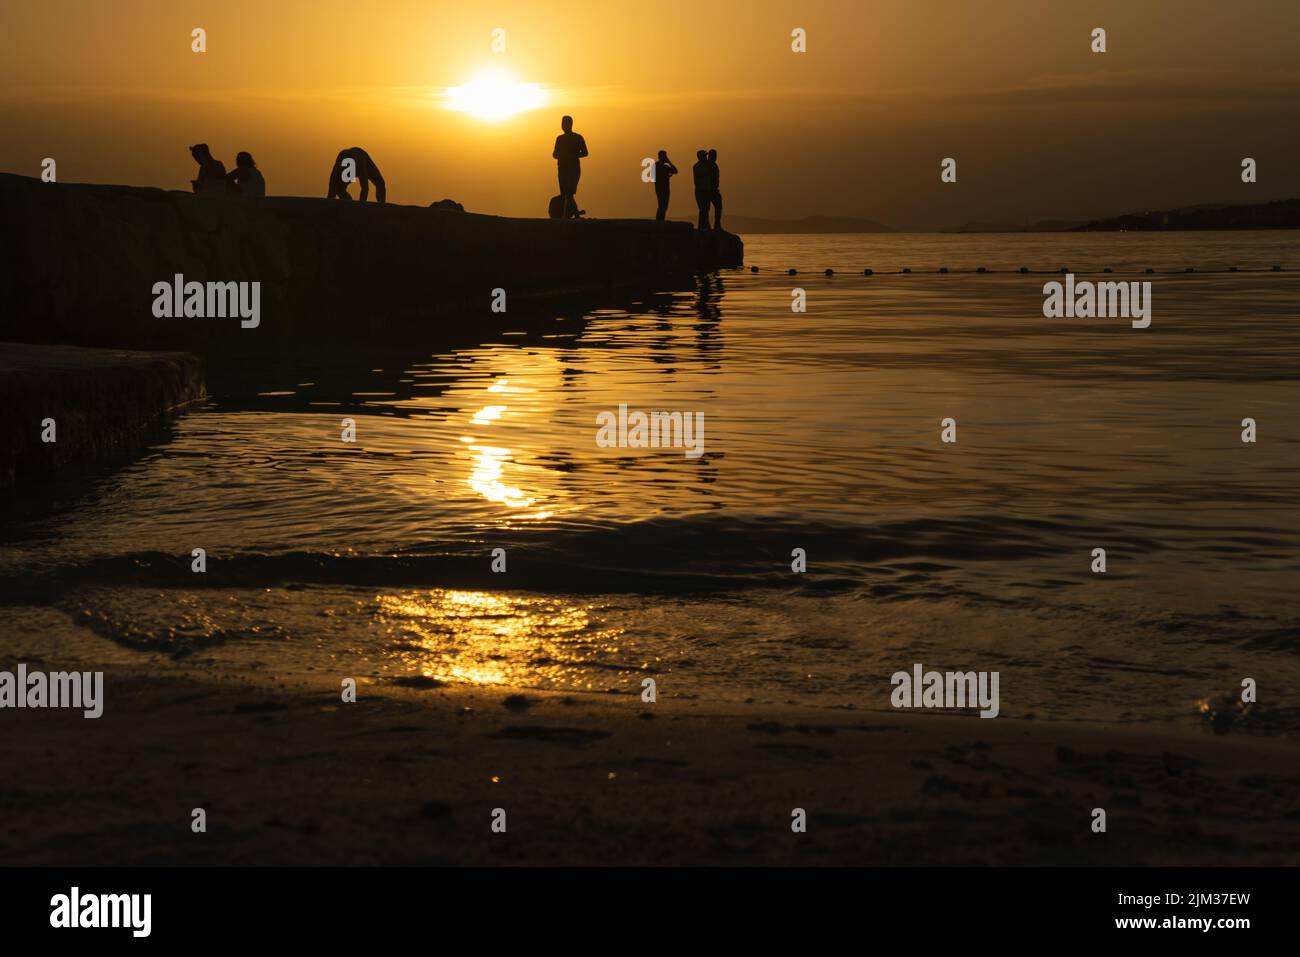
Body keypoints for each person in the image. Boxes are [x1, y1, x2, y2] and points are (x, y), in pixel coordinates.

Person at [552, 115, 588, 219]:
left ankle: (575, 215)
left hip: (573, 169)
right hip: (562, 169)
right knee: (565, 194)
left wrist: (572, 155)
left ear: (570, 125)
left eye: (565, 124)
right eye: (563, 124)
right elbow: (554, 154)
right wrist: (561, 155)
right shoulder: (559, 139)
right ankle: (569, 216)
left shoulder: (578, 138)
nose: (564, 126)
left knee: (569, 194)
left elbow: (585, 152)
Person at [653, 150, 677, 222]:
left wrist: (668, 162)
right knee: (662, 206)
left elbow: (675, 171)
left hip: (665, 189)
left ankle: (660, 221)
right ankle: (659, 221)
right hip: (661, 189)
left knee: (663, 206)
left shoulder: (664, 166)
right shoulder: (657, 166)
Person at [691, 150, 711, 229]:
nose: (706, 157)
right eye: (704, 156)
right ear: (700, 157)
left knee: (704, 209)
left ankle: (703, 225)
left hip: (702, 190)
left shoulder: (697, 166)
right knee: (704, 209)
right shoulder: (699, 166)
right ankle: (704, 226)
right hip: (702, 190)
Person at [707, 148, 722, 230]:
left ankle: (715, 224)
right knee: (718, 206)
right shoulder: (710, 165)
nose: (715, 157)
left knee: (709, 208)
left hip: (712, 189)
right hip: (711, 190)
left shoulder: (711, 164)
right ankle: (716, 225)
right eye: (714, 155)